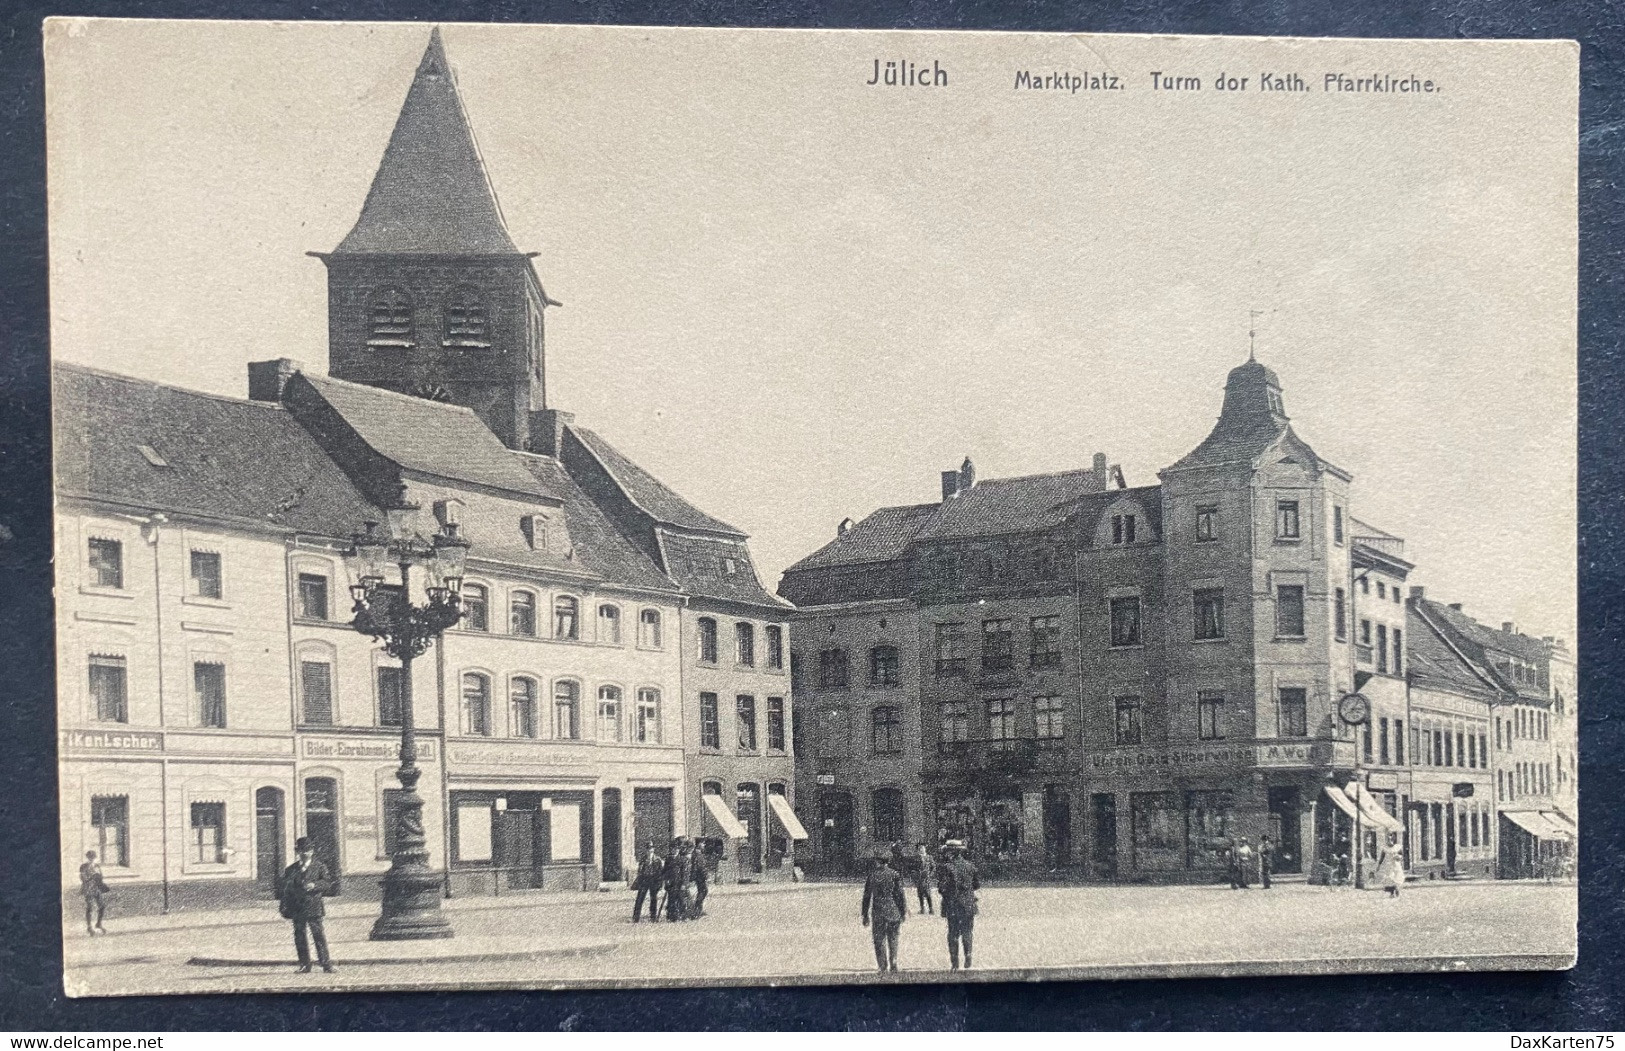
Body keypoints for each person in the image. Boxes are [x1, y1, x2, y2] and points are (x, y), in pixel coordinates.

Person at [277, 837, 337, 973]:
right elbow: (285, 890)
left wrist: (315, 885)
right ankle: (304, 964)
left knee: (318, 935)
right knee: (299, 936)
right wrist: (284, 906)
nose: (305, 853)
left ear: (312, 851)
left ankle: (326, 964)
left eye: (308, 850)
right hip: (297, 908)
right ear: (298, 852)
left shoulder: (320, 867)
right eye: (302, 850)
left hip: (314, 907)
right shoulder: (291, 870)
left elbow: (327, 883)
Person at [861, 850, 908, 973]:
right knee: (893, 938)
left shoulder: (872, 875)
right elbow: (900, 895)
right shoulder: (895, 874)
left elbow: (866, 897)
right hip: (893, 910)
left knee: (879, 939)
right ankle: (894, 962)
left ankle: (882, 966)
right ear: (888, 861)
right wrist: (903, 912)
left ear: (877, 861)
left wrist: (865, 915)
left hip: (878, 911)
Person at [936, 839, 979, 970]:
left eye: (947, 852)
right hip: (968, 904)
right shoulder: (970, 866)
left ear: (951, 853)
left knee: (953, 933)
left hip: (952, 904)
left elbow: (942, 888)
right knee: (967, 931)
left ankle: (955, 962)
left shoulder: (946, 867)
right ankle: (968, 955)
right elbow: (976, 885)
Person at [632, 841, 664, 923]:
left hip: (653, 881)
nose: (650, 850)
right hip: (644, 880)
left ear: (654, 849)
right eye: (648, 849)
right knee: (639, 899)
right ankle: (636, 917)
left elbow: (660, 872)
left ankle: (653, 917)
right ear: (646, 850)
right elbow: (640, 871)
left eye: (651, 848)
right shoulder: (643, 859)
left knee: (653, 899)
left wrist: (659, 883)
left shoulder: (658, 859)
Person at [79, 851, 109, 935]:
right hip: (88, 889)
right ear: (87, 857)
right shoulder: (83, 866)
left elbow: (101, 876)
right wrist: (93, 877)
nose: (92, 859)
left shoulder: (97, 866)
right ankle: (89, 927)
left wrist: (99, 879)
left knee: (102, 906)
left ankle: (98, 924)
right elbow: (83, 878)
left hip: (96, 888)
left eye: (93, 857)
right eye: (90, 857)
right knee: (90, 907)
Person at [663, 837, 692, 922]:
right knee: (671, 900)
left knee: (682, 899)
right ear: (671, 850)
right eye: (673, 849)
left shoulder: (683, 859)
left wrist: (684, 884)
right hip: (671, 883)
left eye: (676, 849)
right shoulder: (668, 859)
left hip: (680, 883)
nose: (675, 850)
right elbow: (665, 871)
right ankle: (673, 917)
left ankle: (684, 916)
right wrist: (666, 879)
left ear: (678, 850)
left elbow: (685, 873)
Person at [913, 842, 936, 915]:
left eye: (923, 848)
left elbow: (933, 867)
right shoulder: (916, 858)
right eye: (920, 848)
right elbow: (913, 868)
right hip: (919, 879)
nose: (921, 850)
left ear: (925, 849)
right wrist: (915, 875)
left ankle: (931, 909)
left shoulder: (929, 857)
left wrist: (931, 874)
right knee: (920, 894)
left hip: (927, 878)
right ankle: (922, 909)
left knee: (928, 893)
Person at [690, 841, 710, 919]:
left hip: (700, 876)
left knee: (701, 892)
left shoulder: (698, 853)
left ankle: (698, 910)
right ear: (699, 845)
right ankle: (697, 911)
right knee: (703, 891)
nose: (704, 845)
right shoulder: (697, 854)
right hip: (700, 877)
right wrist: (704, 876)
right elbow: (699, 867)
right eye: (703, 843)